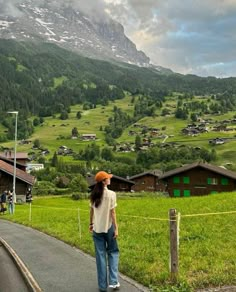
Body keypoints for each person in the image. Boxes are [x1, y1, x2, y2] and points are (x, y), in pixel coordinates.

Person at [89, 171, 120, 292]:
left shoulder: (94, 194)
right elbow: (113, 213)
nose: (110, 179)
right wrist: (116, 228)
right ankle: (113, 281)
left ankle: (102, 286)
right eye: (108, 178)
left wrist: (91, 224)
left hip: (97, 228)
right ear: (104, 181)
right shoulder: (112, 194)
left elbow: (91, 211)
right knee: (113, 252)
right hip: (109, 227)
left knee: (100, 256)